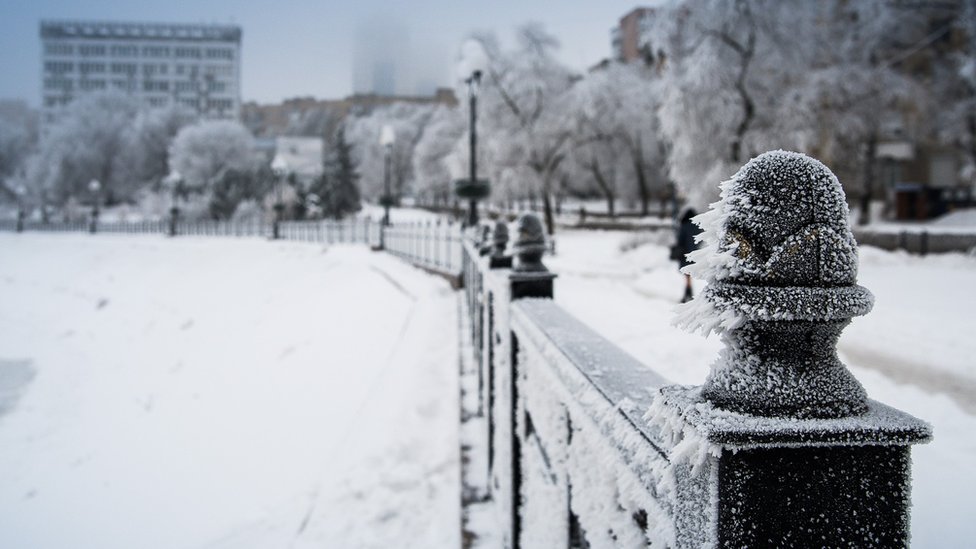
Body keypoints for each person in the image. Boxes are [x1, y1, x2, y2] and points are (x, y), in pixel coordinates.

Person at [673, 207, 702, 303]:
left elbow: (680, 240)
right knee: (689, 274)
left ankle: (688, 295)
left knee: (687, 275)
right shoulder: (697, 227)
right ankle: (688, 294)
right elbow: (700, 240)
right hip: (694, 253)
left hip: (685, 253)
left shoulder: (684, 226)